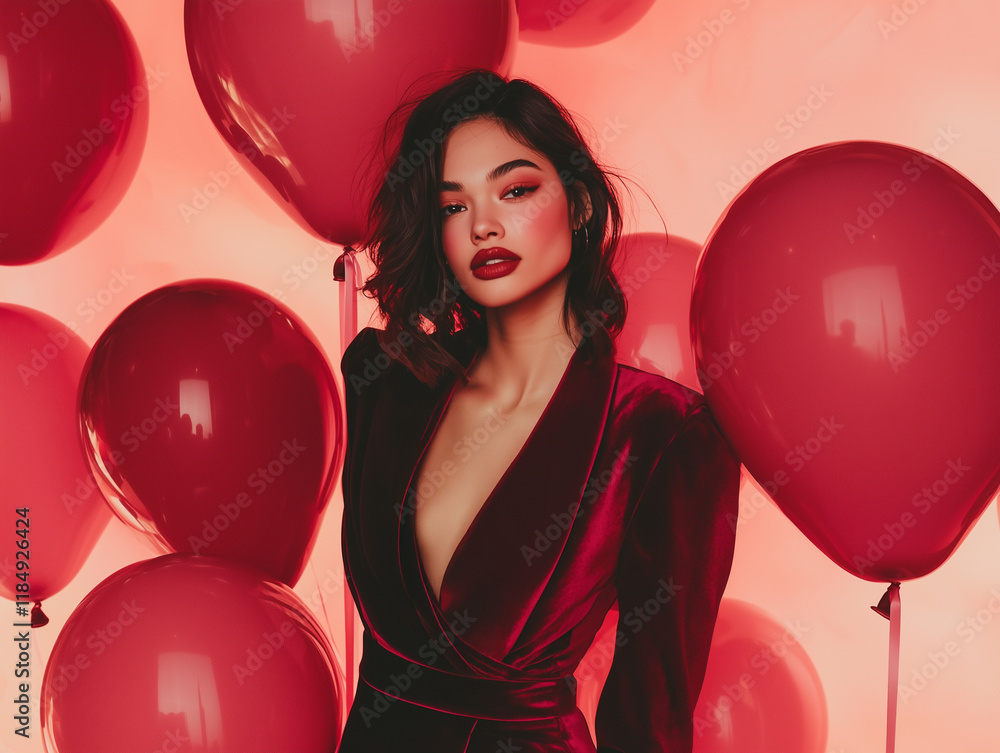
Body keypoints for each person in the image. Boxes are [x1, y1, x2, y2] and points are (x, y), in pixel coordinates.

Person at [337, 68, 740, 753]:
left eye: (516, 189)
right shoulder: (385, 379)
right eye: (452, 206)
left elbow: (650, 719)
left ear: (579, 204)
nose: (485, 225)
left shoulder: (662, 433)